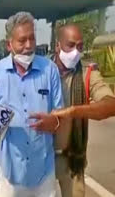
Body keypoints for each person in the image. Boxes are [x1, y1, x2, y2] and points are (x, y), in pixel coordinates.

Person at [0, 12, 64, 197]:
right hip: (11, 173)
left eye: (32, 38)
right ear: (9, 44)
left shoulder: (49, 70)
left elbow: (60, 113)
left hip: (44, 172)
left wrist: (55, 122)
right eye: (22, 40)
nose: (28, 46)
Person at [33, 24, 115, 197]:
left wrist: (73, 112)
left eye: (80, 46)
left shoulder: (87, 74)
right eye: (70, 45)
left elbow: (110, 105)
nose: (75, 52)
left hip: (71, 159)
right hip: (39, 158)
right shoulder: (39, 72)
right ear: (57, 46)